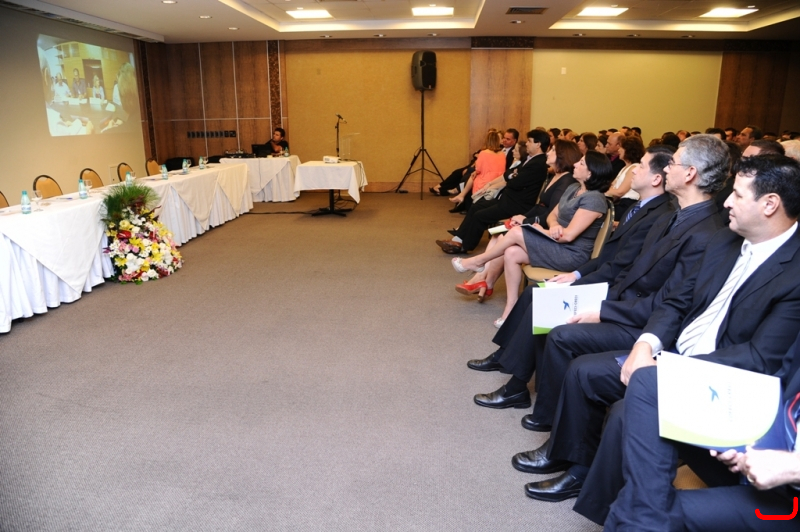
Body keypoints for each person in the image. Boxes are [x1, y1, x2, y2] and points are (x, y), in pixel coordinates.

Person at [522, 153, 800, 512]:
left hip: (722, 379)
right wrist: (645, 344)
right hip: (672, 351)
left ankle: (606, 507)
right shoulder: (724, 241)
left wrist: (671, 369)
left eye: (738, 195)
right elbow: (676, 302)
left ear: (770, 204)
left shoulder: (793, 273)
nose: (726, 202)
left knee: (625, 411)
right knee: (583, 372)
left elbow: (760, 357)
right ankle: (575, 463)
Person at [451, 151, 614, 329]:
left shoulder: (595, 199)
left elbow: (568, 236)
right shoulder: (574, 188)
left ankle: (478, 261)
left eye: (581, 163)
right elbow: (552, 215)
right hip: (557, 244)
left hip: (572, 254)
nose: (575, 164)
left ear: (591, 173)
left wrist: (543, 231)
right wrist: (553, 226)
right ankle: (510, 309)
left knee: (516, 232)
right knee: (512, 252)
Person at [455, 140, 581, 301]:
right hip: (538, 221)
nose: (548, 153)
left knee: (503, 236)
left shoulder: (566, 181)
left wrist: (526, 219)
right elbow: (540, 206)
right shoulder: (556, 176)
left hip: (547, 229)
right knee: (497, 235)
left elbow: (552, 214)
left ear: (562, 156)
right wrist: (522, 218)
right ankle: (484, 280)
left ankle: (481, 278)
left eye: (553, 151)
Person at [435, 130, 549, 255]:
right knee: (476, 206)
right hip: (508, 199)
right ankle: (457, 239)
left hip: (516, 205)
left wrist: (512, 176)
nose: (526, 143)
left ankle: (464, 246)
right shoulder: (530, 160)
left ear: (538, 144)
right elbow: (508, 174)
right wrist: (513, 176)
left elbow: (515, 183)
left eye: (529, 141)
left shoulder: (538, 164)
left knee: (480, 216)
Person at [447, 131, 506, 208]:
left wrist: (476, 171)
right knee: (473, 174)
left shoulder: (483, 153)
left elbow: (478, 169)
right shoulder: (502, 154)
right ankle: (461, 195)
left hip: (485, 181)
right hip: (498, 180)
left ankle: (461, 195)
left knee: (472, 176)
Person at [606, 135, 645, 219]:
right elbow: (612, 186)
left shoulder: (634, 168)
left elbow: (620, 192)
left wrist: (602, 190)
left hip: (626, 205)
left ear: (628, 151)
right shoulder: (625, 167)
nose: (619, 150)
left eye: (621, 148)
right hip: (619, 202)